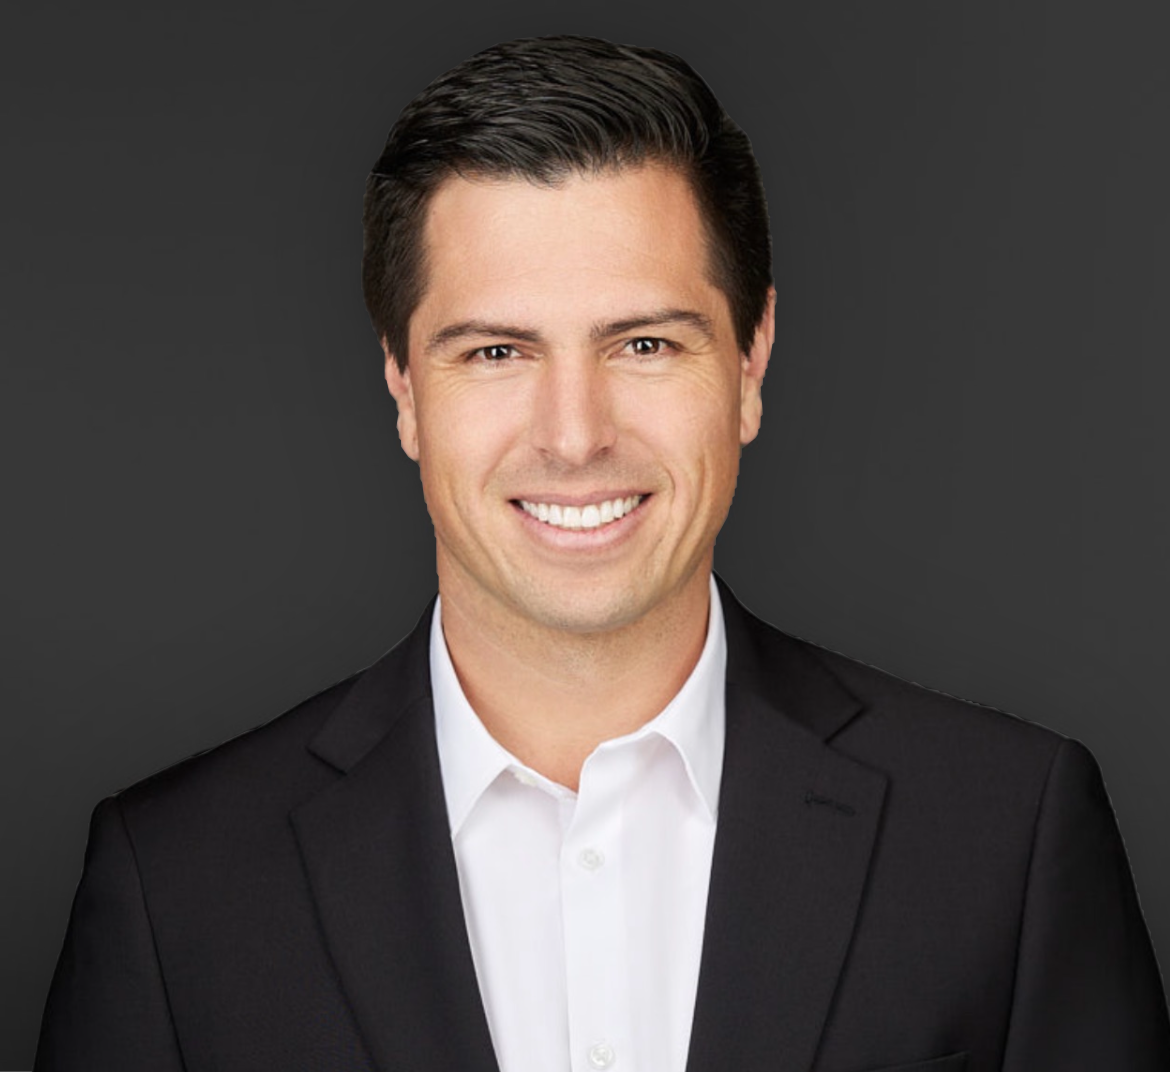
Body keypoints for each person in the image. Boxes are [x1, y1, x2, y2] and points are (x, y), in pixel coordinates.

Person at [34, 34, 1169, 1072]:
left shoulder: (1003, 835)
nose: (574, 434)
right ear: (402, 389)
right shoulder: (175, 886)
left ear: (750, 360)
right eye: (493, 351)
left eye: (642, 341)